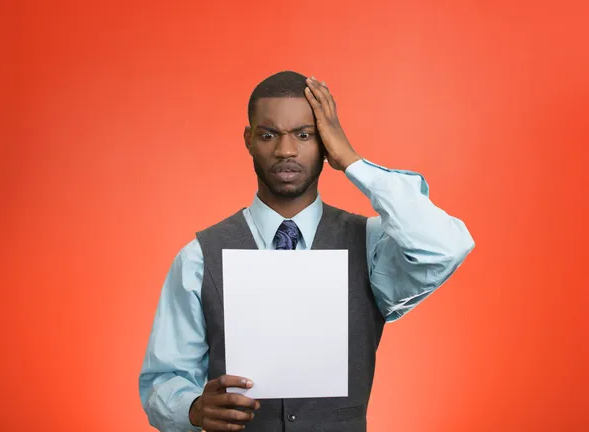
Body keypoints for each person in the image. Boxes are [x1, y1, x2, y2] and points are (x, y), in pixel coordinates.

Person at [139, 71, 475, 432]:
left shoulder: (371, 246)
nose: (286, 151)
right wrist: (192, 408)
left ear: (327, 143)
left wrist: (352, 161)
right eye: (269, 135)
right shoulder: (198, 258)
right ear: (249, 140)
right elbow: (163, 378)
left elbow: (446, 247)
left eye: (305, 135)